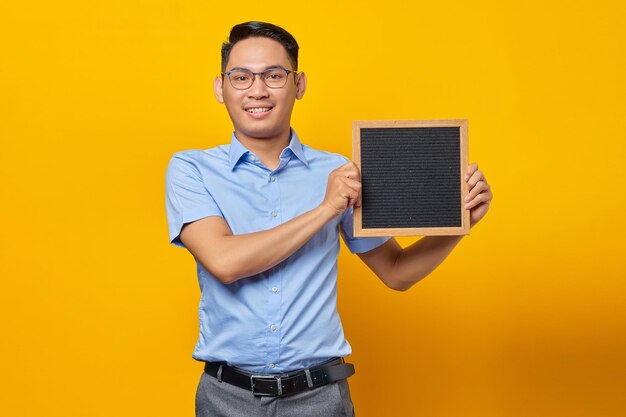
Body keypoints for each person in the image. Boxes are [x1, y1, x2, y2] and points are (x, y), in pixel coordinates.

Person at [165, 21, 492, 417]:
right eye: (240, 77)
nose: (257, 90)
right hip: (226, 397)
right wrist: (324, 210)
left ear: (298, 84)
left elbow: (397, 271)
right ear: (221, 88)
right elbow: (225, 262)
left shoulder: (339, 172)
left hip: (319, 398)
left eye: (273, 75)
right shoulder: (191, 169)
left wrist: (461, 223)